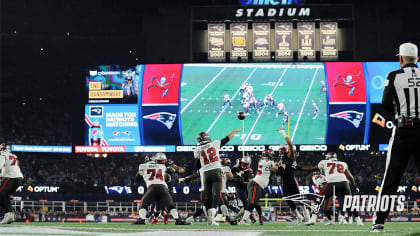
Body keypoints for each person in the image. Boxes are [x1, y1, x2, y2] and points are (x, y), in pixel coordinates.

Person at [371, 42, 420, 233]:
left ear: (400, 59)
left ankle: (379, 222)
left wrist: (397, 115)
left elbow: (385, 102)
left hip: (403, 129)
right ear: (417, 59)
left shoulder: (394, 76)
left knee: (391, 177)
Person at [194, 129, 241, 226]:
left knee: (208, 196)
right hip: (216, 171)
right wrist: (234, 131)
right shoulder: (214, 143)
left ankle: (209, 218)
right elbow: (226, 139)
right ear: (207, 138)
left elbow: (197, 167)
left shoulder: (197, 150)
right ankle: (212, 216)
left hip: (206, 174)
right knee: (217, 194)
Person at [300, 152, 361, 226]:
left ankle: (313, 219)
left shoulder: (324, 162)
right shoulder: (342, 163)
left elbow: (313, 168)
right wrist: (354, 187)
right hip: (344, 183)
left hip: (332, 182)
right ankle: (358, 220)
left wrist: (299, 168)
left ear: (328, 157)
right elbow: (350, 177)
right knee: (350, 202)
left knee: (319, 199)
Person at [134, 153, 188, 225]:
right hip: (163, 187)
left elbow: (138, 178)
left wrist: (139, 175)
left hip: (152, 187)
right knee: (171, 206)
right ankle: (177, 220)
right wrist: (172, 166)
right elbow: (179, 170)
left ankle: (142, 219)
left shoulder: (142, 166)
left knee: (143, 205)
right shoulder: (162, 166)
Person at [239, 150, 278, 225]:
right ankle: (243, 220)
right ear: (268, 155)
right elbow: (276, 169)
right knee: (252, 203)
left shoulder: (262, 161)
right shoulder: (269, 162)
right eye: (271, 155)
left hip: (257, 184)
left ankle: (242, 219)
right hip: (256, 184)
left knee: (253, 203)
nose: (273, 156)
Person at [276, 127, 305, 225]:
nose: (281, 151)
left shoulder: (290, 155)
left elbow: (290, 145)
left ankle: (307, 214)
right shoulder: (280, 158)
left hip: (292, 179)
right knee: (288, 200)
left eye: (283, 149)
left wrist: (283, 134)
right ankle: (299, 216)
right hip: (284, 181)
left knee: (298, 199)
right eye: (281, 150)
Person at [0, 144, 24, 224]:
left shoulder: (2, 155)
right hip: (19, 178)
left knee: (1, 194)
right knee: (4, 195)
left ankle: (8, 215)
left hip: (11, 177)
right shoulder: (14, 155)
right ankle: (9, 215)